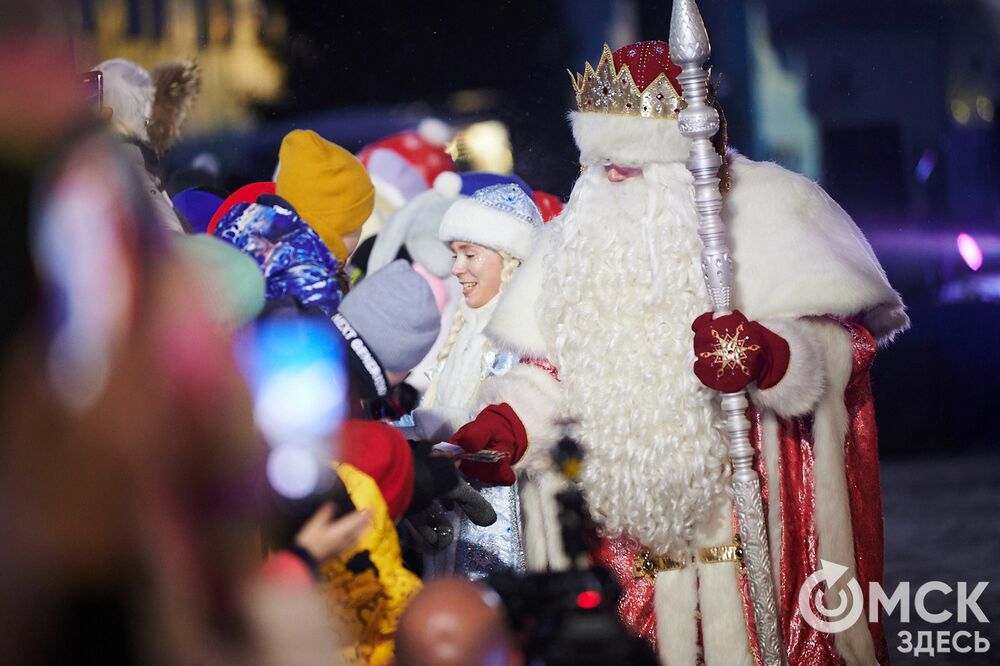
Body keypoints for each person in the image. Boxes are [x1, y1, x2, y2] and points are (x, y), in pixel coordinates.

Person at [453, 41, 908, 665]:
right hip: (621, 545)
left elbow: (847, 349)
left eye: (630, 163)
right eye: (601, 159)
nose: (611, 176)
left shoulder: (766, 210)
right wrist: (509, 425)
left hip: (750, 530)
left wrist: (772, 357)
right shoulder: (574, 241)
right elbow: (552, 368)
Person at [409, 183, 543, 580]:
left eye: (470, 254)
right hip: (455, 517)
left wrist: (441, 427)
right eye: (455, 255)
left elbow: (510, 429)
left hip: (500, 525)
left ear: (510, 258)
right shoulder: (467, 328)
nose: (456, 269)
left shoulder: (524, 335)